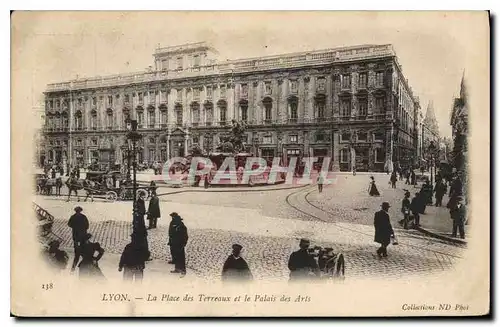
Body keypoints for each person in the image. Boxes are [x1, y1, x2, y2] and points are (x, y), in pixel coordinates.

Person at [67, 206, 89, 270]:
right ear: (80, 211)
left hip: (76, 237)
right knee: (84, 251)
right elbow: (87, 226)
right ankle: (84, 266)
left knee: (76, 254)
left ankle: (73, 267)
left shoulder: (73, 217)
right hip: (83, 237)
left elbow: (69, 224)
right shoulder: (83, 217)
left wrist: (75, 227)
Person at [168, 212, 188, 276]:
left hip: (179, 244)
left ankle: (183, 270)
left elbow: (185, 236)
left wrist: (183, 243)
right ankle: (177, 268)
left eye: (173, 217)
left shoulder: (181, 225)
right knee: (176, 256)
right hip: (174, 242)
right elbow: (170, 232)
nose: (172, 218)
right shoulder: (172, 223)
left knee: (181, 257)